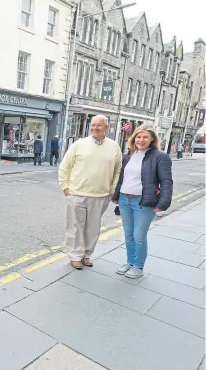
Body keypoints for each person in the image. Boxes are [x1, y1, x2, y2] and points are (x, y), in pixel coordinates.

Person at [58, 115, 122, 269]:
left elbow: (118, 170)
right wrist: (65, 186)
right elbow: (65, 166)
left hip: (101, 195)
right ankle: (75, 256)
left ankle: (86, 255)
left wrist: (112, 189)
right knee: (75, 226)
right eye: (93, 125)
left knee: (92, 228)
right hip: (77, 193)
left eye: (98, 125)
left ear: (107, 127)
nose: (94, 128)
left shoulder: (114, 146)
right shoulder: (79, 145)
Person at [112, 125, 173, 278]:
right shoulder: (129, 155)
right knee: (128, 235)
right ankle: (130, 262)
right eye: (138, 137)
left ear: (152, 139)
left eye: (145, 137)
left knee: (139, 235)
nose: (141, 140)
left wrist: (163, 203)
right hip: (125, 199)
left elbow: (166, 181)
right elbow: (122, 179)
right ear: (134, 139)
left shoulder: (160, 157)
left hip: (143, 202)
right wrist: (116, 196)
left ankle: (138, 266)